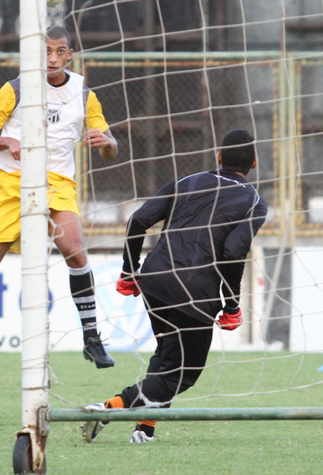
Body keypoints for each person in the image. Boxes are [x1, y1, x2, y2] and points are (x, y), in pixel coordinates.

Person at [81, 128, 267, 444]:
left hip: (155, 279)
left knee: (167, 356)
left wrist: (130, 271)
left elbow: (138, 220)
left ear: (218, 157)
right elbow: (233, 252)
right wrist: (232, 304)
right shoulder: (254, 201)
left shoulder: (185, 182)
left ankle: (144, 430)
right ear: (254, 163)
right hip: (195, 290)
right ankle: (109, 408)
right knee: (183, 373)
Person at [0, 25, 119, 377]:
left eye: (59, 51)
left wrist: (105, 143)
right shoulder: (17, 88)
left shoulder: (83, 93)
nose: (52, 58)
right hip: (14, 183)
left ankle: (92, 336)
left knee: (75, 249)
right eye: (46, 51)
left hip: (58, 184)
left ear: (70, 55)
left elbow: (110, 147)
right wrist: (8, 143)